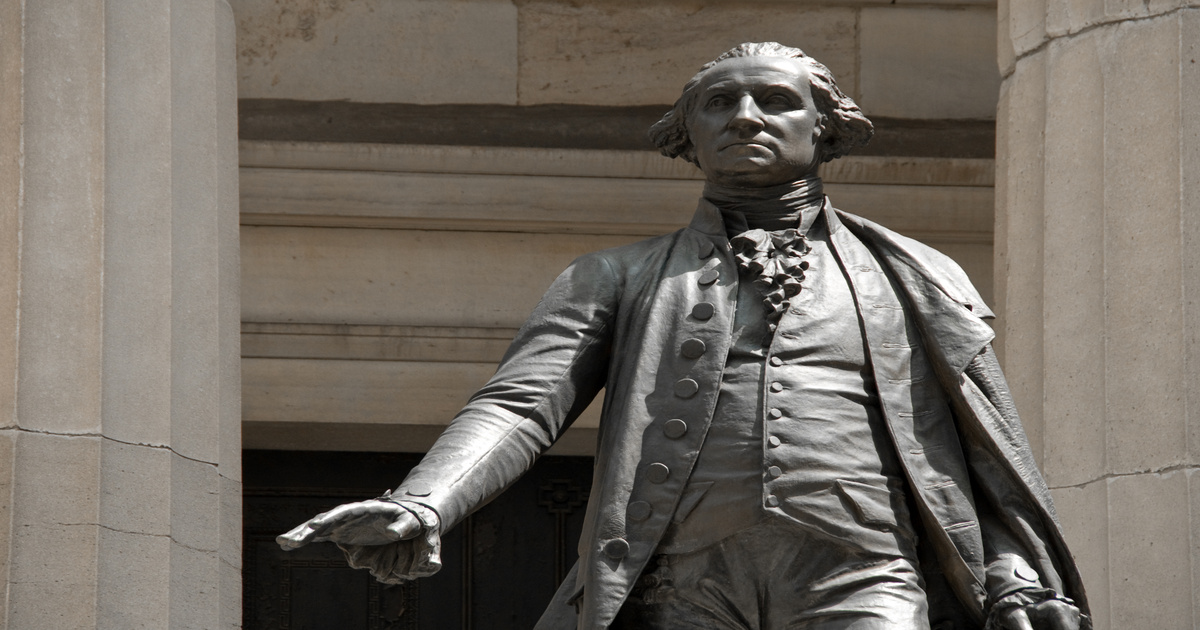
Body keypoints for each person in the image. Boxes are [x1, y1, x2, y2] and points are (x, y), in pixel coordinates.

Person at [278, 42, 1089, 630]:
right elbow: (522, 405)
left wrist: (1012, 568)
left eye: (776, 100)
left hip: (867, 569)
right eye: (719, 103)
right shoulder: (615, 277)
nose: (745, 117)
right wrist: (423, 503)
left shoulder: (914, 275)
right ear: (687, 135)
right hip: (679, 580)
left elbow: (980, 447)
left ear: (825, 128)